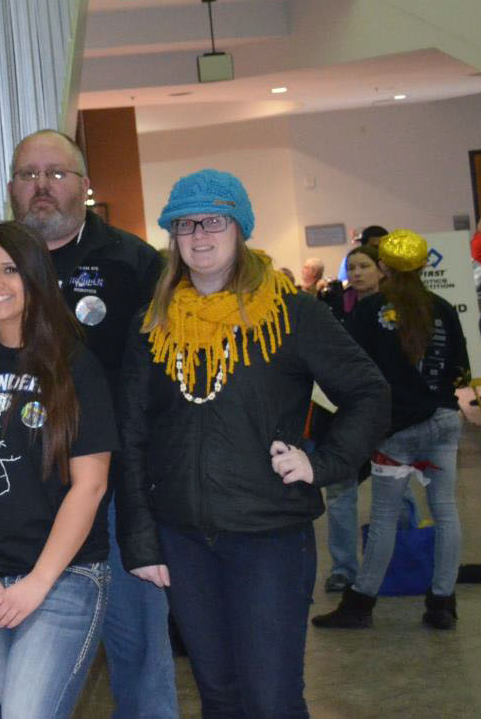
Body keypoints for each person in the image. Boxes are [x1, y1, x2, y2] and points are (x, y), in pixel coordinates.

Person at [0, 130, 177, 719]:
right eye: (28, 174)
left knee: (137, 644)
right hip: (12, 510)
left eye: (56, 173)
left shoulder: (133, 263)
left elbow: (163, 371)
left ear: (84, 185)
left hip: (109, 487)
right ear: (11, 188)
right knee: (22, 692)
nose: (42, 185)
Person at [117, 170, 388, 717]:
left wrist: (322, 463)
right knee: (219, 695)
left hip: (269, 537)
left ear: (240, 227)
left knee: (271, 699)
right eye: (185, 224)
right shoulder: (154, 324)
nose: (199, 234)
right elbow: (132, 436)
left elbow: (369, 393)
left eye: (213, 220)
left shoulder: (290, 313)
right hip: (183, 540)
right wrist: (142, 540)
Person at [0, 220, 116, 718]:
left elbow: (91, 485)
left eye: (10, 270)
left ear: (36, 276)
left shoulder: (77, 365)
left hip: (64, 578)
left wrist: (38, 582)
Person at [316, 229, 470, 631]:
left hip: (394, 430)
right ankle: (442, 601)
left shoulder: (370, 311)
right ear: (423, 265)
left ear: (384, 265)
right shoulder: (443, 308)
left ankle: (361, 603)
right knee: (445, 511)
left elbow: (349, 366)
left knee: (384, 516)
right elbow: (461, 369)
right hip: (443, 421)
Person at [316, 244, 386, 594]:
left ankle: (397, 560)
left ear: (381, 270)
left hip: (386, 417)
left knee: (396, 493)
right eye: (352, 267)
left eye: (364, 266)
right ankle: (344, 568)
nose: (357, 273)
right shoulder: (335, 309)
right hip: (342, 417)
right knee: (340, 491)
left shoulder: (394, 311)